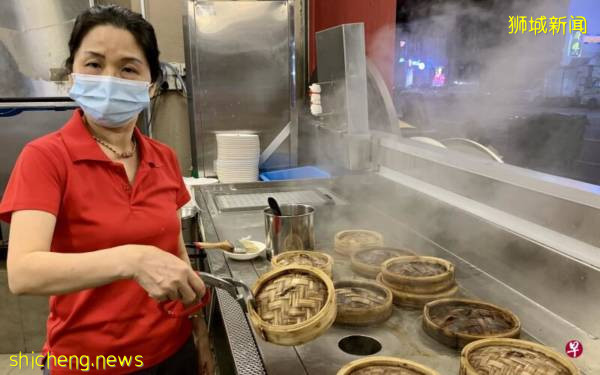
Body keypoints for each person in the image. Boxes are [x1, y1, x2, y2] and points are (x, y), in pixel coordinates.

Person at [0, 5, 213, 375]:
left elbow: (175, 250)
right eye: (94, 65)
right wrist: (131, 260)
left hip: (172, 351)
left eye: (128, 68)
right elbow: (23, 271)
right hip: (89, 361)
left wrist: (199, 329)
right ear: (72, 75)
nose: (109, 78)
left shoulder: (163, 157)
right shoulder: (45, 158)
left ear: (150, 85)